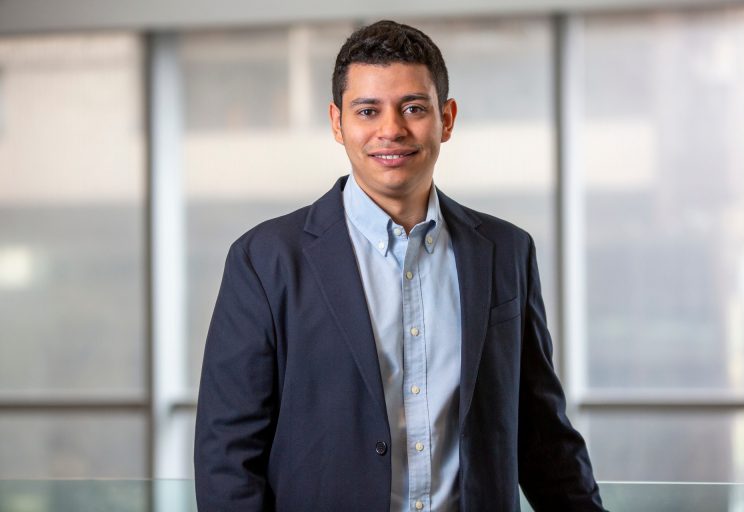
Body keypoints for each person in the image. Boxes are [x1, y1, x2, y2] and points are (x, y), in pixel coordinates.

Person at [195, 20, 606, 512]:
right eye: (368, 111)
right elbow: (228, 454)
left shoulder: (506, 253)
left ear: (446, 119)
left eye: (413, 108)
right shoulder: (264, 260)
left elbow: (543, 438)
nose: (391, 129)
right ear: (337, 122)